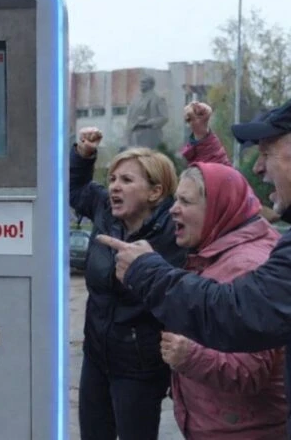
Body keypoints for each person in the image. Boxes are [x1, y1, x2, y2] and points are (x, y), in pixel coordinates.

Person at [96, 92, 291, 439]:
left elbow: (240, 313)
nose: (258, 169)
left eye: (267, 154)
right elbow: (222, 187)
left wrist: (147, 273)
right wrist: (203, 141)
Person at [70, 127, 186, 440]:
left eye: (126, 180)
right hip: (96, 355)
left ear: (155, 192)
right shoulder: (104, 210)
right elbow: (76, 188)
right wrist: (84, 155)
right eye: (112, 179)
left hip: (140, 365)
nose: (114, 187)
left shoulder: (175, 230)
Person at [164, 161, 287, 439]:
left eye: (185, 201)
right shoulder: (217, 251)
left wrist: (189, 355)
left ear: (217, 208)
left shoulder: (246, 267)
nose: (173, 209)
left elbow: (249, 371)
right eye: (175, 199)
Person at [125, 75, 169, 149]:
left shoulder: (158, 99)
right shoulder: (136, 100)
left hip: (150, 136)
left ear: (151, 84)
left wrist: (147, 123)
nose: (141, 84)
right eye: (141, 82)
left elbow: (164, 117)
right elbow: (130, 119)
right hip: (134, 137)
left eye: (144, 82)